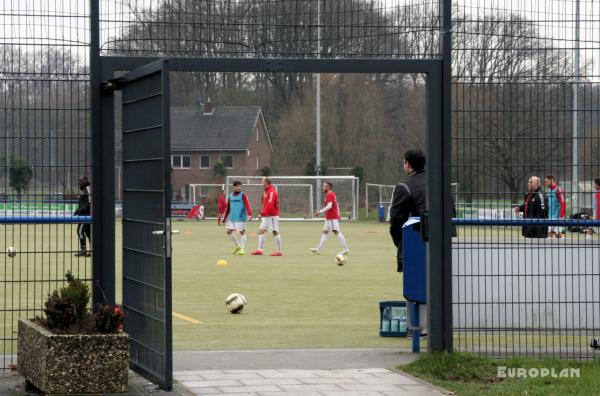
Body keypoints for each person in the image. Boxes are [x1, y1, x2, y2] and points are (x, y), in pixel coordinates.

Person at [389, 149, 427, 272]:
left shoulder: (403, 186)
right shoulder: (440, 183)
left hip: (414, 244)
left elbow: (395, 221)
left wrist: (401, 245)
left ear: (407, 164)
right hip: (443, 246)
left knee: (415, 288)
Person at [310, 182, 350, 256]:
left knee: (336, 232)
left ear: (328, 187)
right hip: (329, 217)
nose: (323, 188)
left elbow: (329, 206)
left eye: (324, 186)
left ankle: (346, 249)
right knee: (325, 232)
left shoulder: (329, 194)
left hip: (332, 217)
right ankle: (318, 249)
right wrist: (338, 213)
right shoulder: (331, 194)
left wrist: (320, 211)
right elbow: (336, 204)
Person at [251, 177, 283, 256]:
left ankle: (278, 251)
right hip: (266, 216)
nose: (261, 183)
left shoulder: (272, 192)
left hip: (272, 215)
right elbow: (265, 204)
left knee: (275, 231)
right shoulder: (266, 192)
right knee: (261, 231)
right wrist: (263, 213)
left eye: (262, 182)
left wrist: (261, 213)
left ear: (266, 182)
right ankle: (260, 250)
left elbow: (270, 205)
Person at [224, 181, 252, 255]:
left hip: (240, 217)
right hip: (232, 217)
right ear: (234, 187)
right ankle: (237, 246)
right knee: (228, 231)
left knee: (242, 232)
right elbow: (228, 208)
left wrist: (249, 214)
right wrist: (225, 218)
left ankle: (242, 248)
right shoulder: (230, 196)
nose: (239, 188)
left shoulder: (243, 195)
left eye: (240, 186)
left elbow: (247, 205)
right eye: (238, 186)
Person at [74, 176, 92, 257]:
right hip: (84, 215)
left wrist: (82, 209)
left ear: (85, 180)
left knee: (80, 231)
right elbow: (83, 203)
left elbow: (89, 201)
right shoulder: (84, 190)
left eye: (81, 180)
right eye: (79, 180)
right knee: (89, 233)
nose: (79, 182)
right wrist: (77, 211)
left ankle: (83, 250)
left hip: (86, 216)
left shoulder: (88, 188)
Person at [544, 175, 566, 239]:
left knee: (549, 235)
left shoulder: (558, 190)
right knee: (558, 235)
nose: (545, 184)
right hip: (550, 216)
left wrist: (561, 216)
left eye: (546, 182)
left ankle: (548, 249)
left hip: (556, 217)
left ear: (551, 180)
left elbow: (563, 203)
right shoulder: (549, 190)